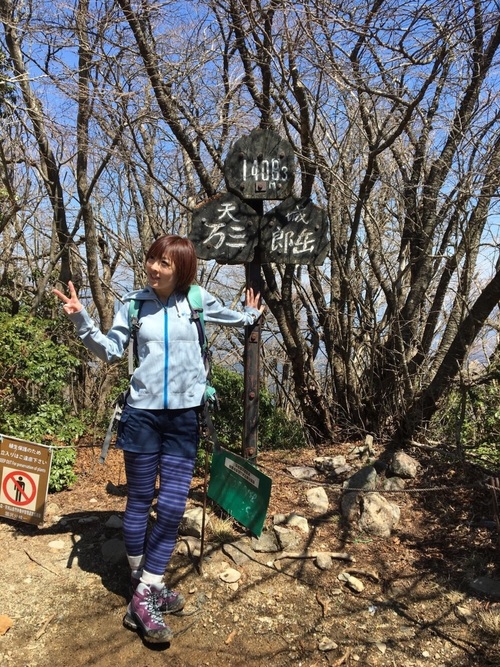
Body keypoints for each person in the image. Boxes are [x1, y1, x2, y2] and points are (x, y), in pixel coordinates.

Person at [53, 235, 264, 644]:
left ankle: (144, 591)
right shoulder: (133, 304)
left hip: (185, 418)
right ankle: (145, 589)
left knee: (170, 507)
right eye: (151, 260)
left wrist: (250, 315)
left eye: (164, 263)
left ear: (181, 268)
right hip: (142, 417)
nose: (154, 268)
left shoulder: (198, 302)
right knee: (139, 500)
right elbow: (111, 351)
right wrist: (81, 319)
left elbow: (236, 320)